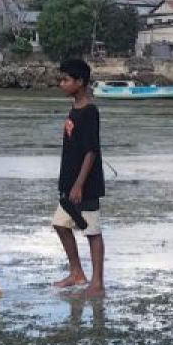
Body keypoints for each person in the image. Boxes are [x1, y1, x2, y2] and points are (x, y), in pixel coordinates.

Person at [52, 58, 106, 296]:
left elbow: (91, 151)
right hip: (69, 181)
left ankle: (97, 282)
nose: (61, 84)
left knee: (92, 231)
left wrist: (79, 184)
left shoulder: (90, 112)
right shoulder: (75, 108)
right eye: (61, 79)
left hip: (86, 185)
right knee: (60, 224)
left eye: (65, 80)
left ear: (80, 82)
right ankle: (76, 272)